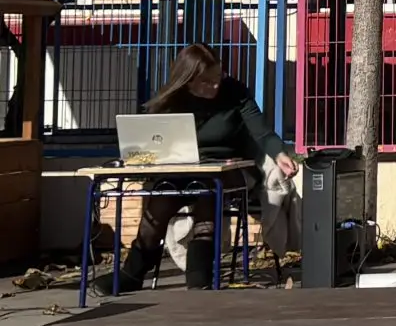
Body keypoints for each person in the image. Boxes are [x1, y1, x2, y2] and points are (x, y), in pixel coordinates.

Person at [98, 42, 297, 293]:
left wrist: (279, 153)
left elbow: (262, 132)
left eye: (218, 78)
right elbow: (155, 141)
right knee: (161, 199)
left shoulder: (235, 92)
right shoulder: (173, 99)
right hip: (182, 169)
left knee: (207, 193)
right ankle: (132, 273)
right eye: (206, 81)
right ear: (188, 80)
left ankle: (198, 275)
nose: (215, 86)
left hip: (230, 169)